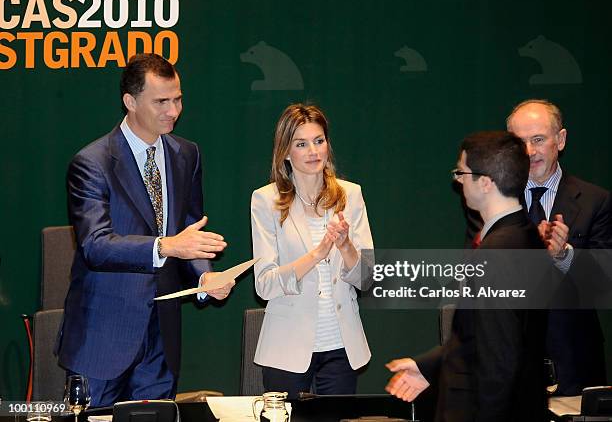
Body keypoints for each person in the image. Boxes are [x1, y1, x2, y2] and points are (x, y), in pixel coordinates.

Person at [56, 53, 235, 407]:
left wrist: (204, 278)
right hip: (103, 338)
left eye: (178, 99)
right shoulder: (92, 163)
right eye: (161, 101)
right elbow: (95, 245)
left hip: (162, 343)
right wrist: (166, 246)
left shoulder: (188, 154)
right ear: (130, 102)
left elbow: (189, 229)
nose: (173, 110)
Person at [386, 131, 549, 421]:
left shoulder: (495, 254)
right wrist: (430, 366)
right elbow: (484, 338)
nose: (458, 180)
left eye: (462, 173)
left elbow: (499, 362)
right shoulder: (527, 237)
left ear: (485, 183)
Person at [465, 100, 611, 395]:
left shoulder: (596, 201)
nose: (529, 152)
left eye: (539, 140)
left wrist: (564, 255)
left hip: (574, 364)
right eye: (520, 142)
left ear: (561, 139)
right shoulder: (488, 200)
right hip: (507, 361)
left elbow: (603, 283)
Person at [250, 103, 373, 398]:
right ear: (286, 152)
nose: (313, 151)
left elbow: (367, 278)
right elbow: (264, 284)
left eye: (319, 141)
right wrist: (317, 254)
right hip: (287, 348)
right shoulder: (266, 200)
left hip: (342, 346)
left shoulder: (350, 195)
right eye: (301, 144)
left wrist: (344, 247)